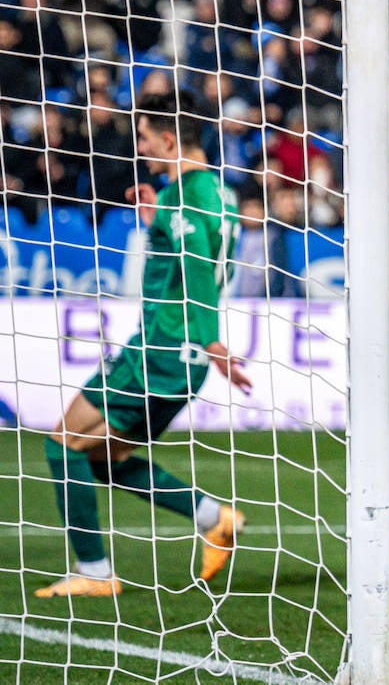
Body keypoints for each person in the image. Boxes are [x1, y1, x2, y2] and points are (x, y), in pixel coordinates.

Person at [36, 91, 250, 597]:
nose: (142, 148)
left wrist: (213, 340)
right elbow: (201, 249)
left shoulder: (183, 195)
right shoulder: (219, 193)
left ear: (170, 138)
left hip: (158, 351)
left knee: (60, 443)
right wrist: (160, 223)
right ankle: (213, 517)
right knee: (100, 458)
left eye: (145, 138)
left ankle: (94, 572)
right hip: (183, 361)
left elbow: (198, 263)